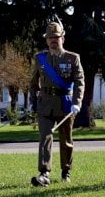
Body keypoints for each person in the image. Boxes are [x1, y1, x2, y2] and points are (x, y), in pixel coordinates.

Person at [29, 21, 85, 186]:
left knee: (66, 140)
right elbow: (33, 82)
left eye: (56, 37)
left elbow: (80, 82)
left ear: (63, 38)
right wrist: (32, 101)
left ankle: (66, 171)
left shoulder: (73, 58)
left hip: (66, 104)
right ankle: (44, 173)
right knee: (45, 137)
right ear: (46, 40)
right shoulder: (40, 59)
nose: (53, 40)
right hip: (45, 104)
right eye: (50, 37)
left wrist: (77, 102)